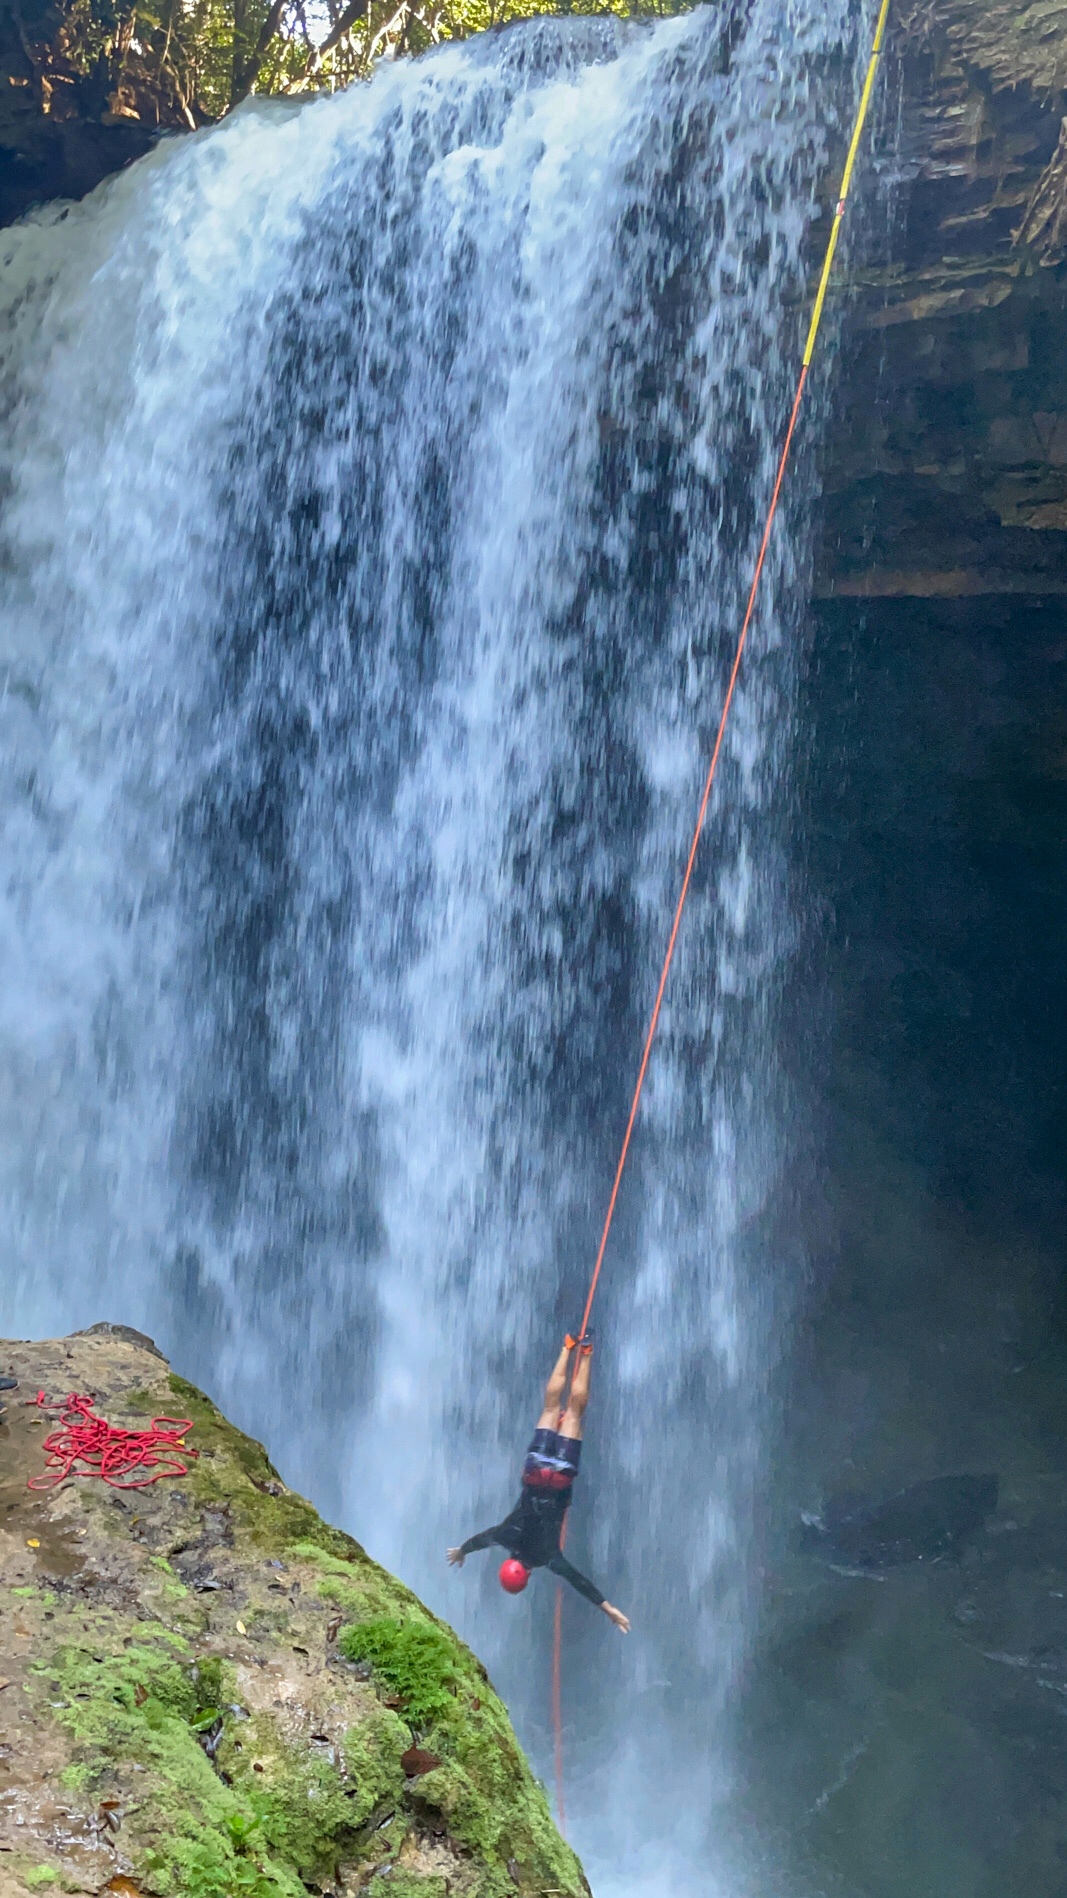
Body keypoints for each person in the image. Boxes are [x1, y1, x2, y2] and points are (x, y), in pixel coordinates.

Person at [447, 1334, 630, 1632]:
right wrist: (461, 1551)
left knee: (574, 1412)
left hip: (560, 1476)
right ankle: (566, 1348)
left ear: (527, 1577)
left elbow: (578, 1580)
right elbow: (480, 1540)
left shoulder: (548, 1557)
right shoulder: (504, 1536)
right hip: (535, 1472)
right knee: (550, 1407)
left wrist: (608, 1609)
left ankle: (585, 1352)